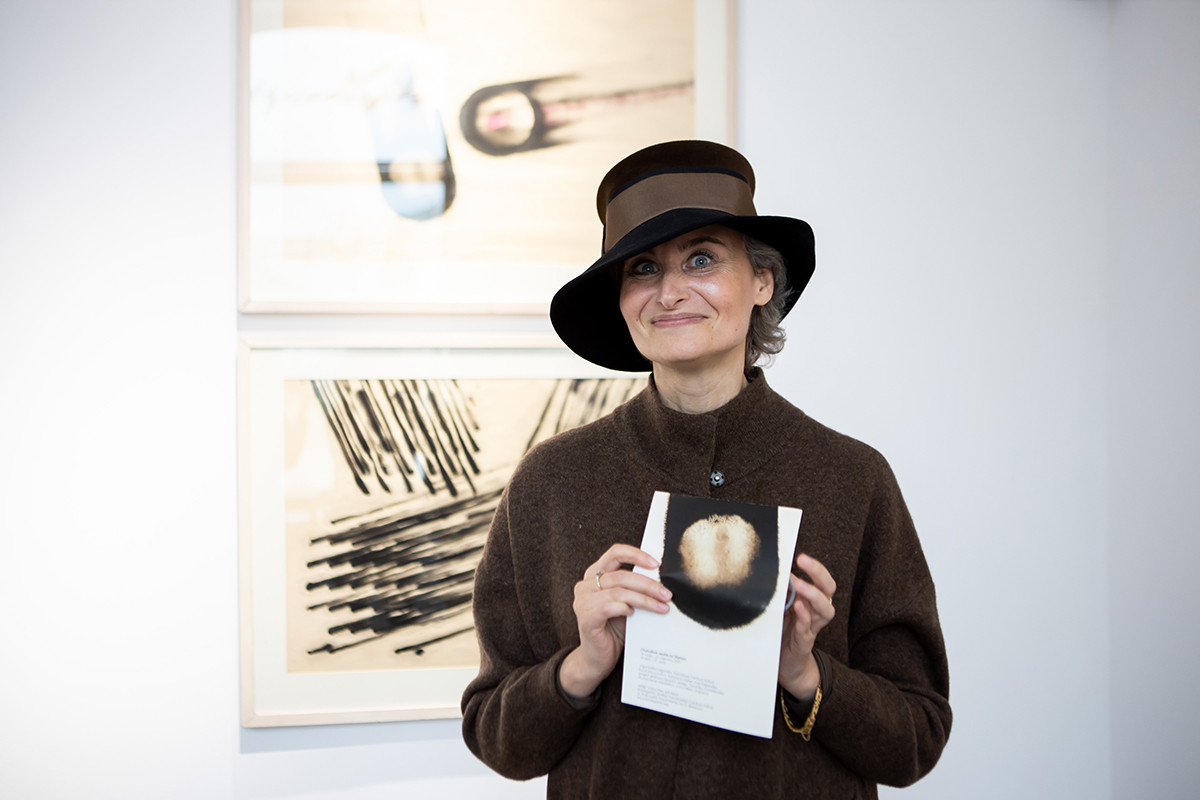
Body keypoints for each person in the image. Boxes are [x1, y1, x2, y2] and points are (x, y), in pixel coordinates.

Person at [461, 140, 951, 798]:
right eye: (643, 268)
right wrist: (582, 666)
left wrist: (806, 675)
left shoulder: (852, 479)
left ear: (762, 281)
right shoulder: (551, 482)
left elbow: (916, 740)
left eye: (702, 258)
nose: (669, 292)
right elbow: (496, 737)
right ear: (622, 300)